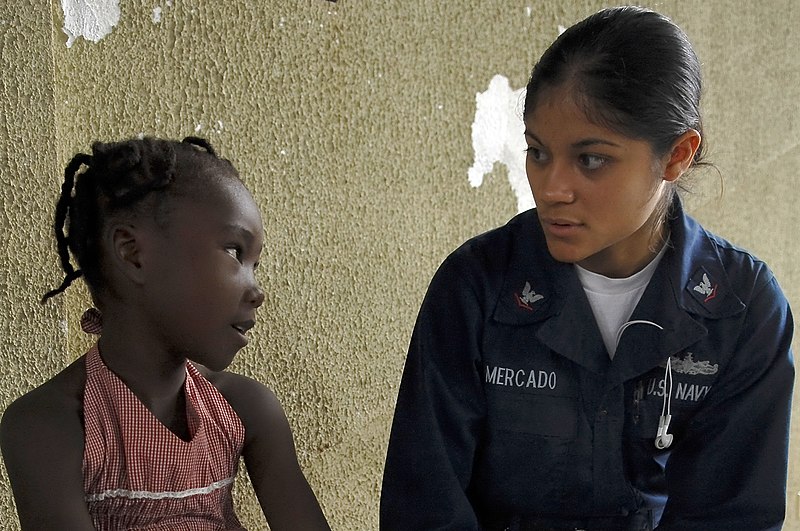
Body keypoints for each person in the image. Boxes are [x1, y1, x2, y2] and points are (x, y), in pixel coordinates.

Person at [380, 6, 794, 531]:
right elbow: (424, 508)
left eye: (591, 159)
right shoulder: (476, 287)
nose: (552, 188)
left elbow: (734, 519)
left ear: (677, 156)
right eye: (537, 153)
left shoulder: (742, 309)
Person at [0, 137, 331, 530]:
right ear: (133, 253)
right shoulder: (50, 424)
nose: (257, 291)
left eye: (255, 264)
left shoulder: (245, 409)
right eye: (234, 252)